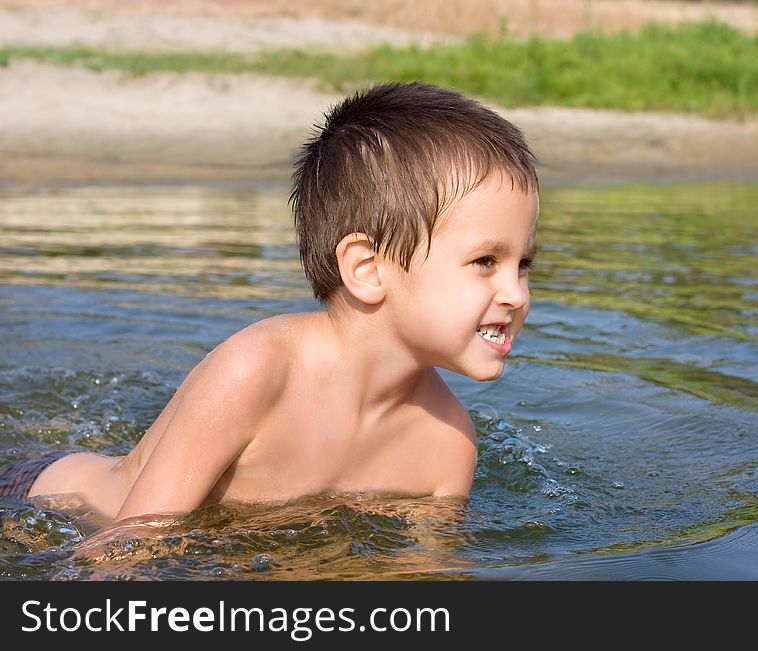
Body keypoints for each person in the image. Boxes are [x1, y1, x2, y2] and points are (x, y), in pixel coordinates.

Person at [6, 81, 540, 524]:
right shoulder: (258, 370)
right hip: (47, 502)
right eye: (485, 262)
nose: (516, 294)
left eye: (524, 265)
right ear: (367, 269)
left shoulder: (448, 446)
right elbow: (131, 547)